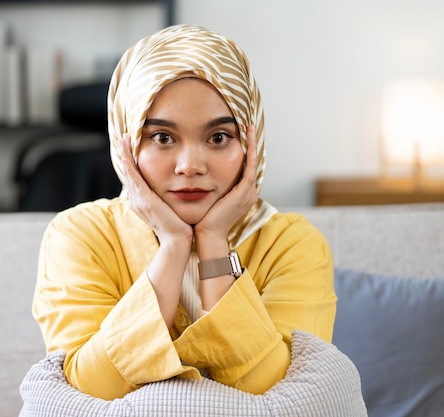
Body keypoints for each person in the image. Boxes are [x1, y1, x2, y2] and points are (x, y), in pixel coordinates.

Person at [32, 24, 336, 401]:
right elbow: (91, 389)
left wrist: (213, 242)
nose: (190, 165)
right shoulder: (79, 235)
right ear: (125, 143)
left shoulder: (293, 243)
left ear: (249, 142)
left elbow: (278, 393)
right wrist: (174, 245)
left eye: (219, 137)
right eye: (162, 137)